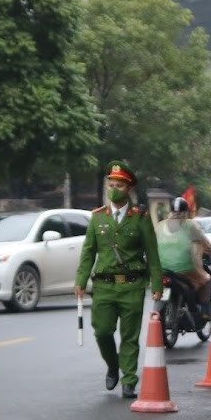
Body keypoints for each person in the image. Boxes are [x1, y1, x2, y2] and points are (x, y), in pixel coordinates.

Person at [74, 162, 163, 400]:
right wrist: (80, 281)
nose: (114, 189)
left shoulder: (140, 218)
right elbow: (88, 252)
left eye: (119, 185)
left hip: (132, 286)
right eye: (110, 185)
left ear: (128, 188)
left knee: (130, 337)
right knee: (102, 332)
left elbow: (152, 255)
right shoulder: (97, 218)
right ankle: (113, 366)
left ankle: (129, 380)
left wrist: (156, 285)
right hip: (103, 286)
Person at [156, 197, 211, 319]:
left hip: (161, 269)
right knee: (206, 278)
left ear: (171, 211)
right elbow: (205, 243)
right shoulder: (190, 226)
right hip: (185, 269)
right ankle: (205, 311)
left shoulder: (159, 226)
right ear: (186, 212)